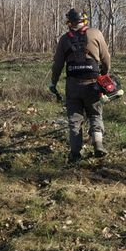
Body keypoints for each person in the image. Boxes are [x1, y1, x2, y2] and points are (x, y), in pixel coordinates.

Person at [49, 8, 112, 163]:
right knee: (95, 114)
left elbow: (57, 64)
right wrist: (104, 74)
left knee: (75, 120)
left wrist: (54, 82)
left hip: (73, 85)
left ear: (69, 23)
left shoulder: (64, 39)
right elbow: (106, 58)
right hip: (93, 84)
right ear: (84, 20)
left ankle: (75, 154)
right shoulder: (96, 33)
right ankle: (98, 143)